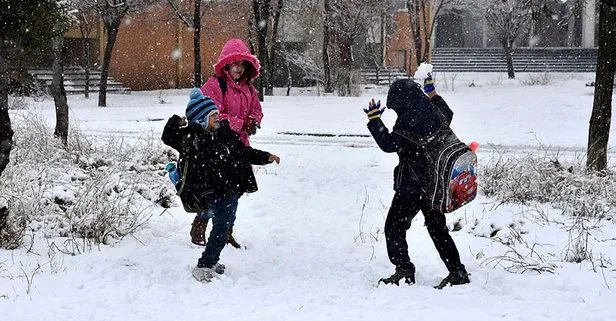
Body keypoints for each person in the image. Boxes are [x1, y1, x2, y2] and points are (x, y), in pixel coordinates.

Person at [364, 73, 470, 289]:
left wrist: (375, 120)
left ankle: (404, 270)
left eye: (396, 106)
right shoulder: (436, 113)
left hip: (412, 188)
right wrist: (433, 94)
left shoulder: (407, 124)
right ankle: (457, 271)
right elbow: (448, 112)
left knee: (394, 227)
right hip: (434, 185)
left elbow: (388, 144)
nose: (395, 111)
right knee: (438, 229)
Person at [162, 88, 280, 282]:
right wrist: (177, 121)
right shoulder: (191, 139)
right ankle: (204, 265)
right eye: (212, 115)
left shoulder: (225, 135)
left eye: (217, 113)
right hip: (209, 191)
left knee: (224, 227)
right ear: (201, 119)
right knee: (221, 227)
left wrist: (266, 157)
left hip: (230, 188)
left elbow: (244, 152)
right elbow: (168, 136)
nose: (217, 117)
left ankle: (212, 260)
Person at [188, 38, 263, 246]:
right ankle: (202, 222)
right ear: (226, 65)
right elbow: (211, 115)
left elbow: (256, 109)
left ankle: (226, 230)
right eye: (234, 63)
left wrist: (253, 121)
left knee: (235, 190)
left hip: (240, 147)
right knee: (215, 190)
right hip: (217, 148)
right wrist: (240, 123)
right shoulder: (214, 86)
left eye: (242, 64)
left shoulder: (250, 89)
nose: (238, 68)